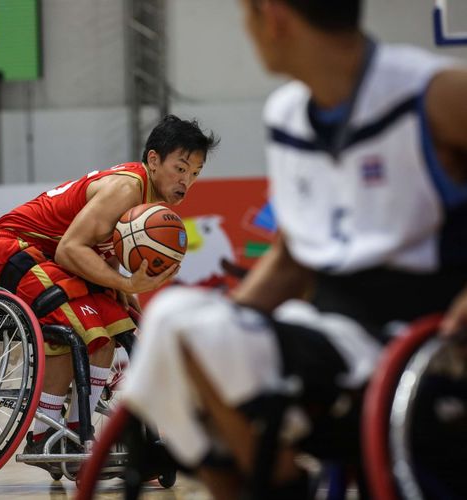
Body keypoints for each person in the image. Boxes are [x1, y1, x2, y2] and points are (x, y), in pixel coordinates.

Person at [120, 1, 467, 497]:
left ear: (274, 16)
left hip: (416, 335)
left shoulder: (433, 92)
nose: (249, 31)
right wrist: (226, 327)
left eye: (248, 16)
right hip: (327, 330)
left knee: (184, 326)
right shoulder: (285, 114)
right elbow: (291, 256)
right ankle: (279, 482)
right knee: (177, 321)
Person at [0, 115, 217, 471]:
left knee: (115, 327)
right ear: (153, 160)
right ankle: (44, 434)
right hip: (10, 248)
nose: (186, 182)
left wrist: (129, 299)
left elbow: (98, 261)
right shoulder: (127, 189)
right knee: (76, 323)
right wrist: (125, 284)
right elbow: (70, 249)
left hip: (49, 262)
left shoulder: (146, 203)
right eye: (180, 169)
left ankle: (76, 433)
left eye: (194, 174)